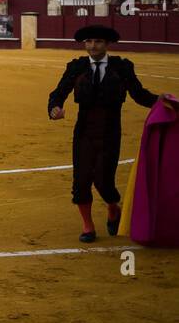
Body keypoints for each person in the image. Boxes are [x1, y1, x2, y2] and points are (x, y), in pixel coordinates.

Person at [47, 24, 174, 241]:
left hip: (110, 131)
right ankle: (88, 226)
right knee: (81, 179)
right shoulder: (76, 67)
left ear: (107, 45)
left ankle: (113, 207)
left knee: (104, 180)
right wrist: (54, 108)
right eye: (88, 42)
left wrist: (159, 101)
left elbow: (139, 94)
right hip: (84, 130)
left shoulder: (122, 67)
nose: (92, 46)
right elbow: (58, 93)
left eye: (97, 42)